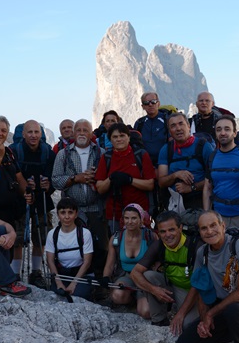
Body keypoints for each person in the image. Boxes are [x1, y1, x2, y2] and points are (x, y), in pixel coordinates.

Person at [175, 211, 239, 343]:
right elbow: (201, 286)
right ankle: (234, 331)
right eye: (204, 228)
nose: (209, 231)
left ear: (223, 226)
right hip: (218, 305)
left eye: (213, 225)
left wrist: (211, 314)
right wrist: (204, 319)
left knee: (234, 310)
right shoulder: (202, 253)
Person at [51, 119, 109, 276]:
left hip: (97, 208)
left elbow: (108, 179)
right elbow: (55, 180)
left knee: (101, 247)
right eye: (79, 130)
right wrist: (76, 178)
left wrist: (95, 179)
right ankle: (78, 280)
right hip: (73, 210)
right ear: (73, 133)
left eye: (85, 130)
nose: (82, 133)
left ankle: (99, 283)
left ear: (91, 134)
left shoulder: (102, 153)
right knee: (76, 246)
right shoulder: (63, 154)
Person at [130, 211, 199, 332]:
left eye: (171, 230)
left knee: (187, 326)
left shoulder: (194, 246)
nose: (167, 235)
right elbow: (135, 273)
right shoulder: (159, 245)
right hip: (172, 286)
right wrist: (154, 290)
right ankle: (159, 320)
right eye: (163, 231)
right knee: (148, 276)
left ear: (180, 228)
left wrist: (180, 314)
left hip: (193, 291)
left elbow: (199, 284)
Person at [11, 120, 56, 287]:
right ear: (23, 134)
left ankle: (35, 273)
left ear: (41, 134)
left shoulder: (48, 153)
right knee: (18, 237)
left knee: (41, 238)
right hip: (19, 200)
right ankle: (15, 274)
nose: (33, 135)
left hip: (42, 199)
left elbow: (52, 178)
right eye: (30, 132)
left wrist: (48, 185)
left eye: (36, 132)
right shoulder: (15, 151)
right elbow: (10, 177)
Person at [95, 123, 155, 233]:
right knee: (117, 245)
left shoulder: (140, 155)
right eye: (115, 137)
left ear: (128, 137)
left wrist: (130, 180)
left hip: (140, 212)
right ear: (110, 140)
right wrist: (111, 179)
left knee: (142, 244)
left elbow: (150, 184)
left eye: (122, 136)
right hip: (115, 214)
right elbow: (100, 188)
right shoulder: (106, 158)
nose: (119, 139)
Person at [102, 204, 157, 318]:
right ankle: (132, 298)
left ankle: (141, 297)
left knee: (146, 312)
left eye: (133, 218)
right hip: (126, 275)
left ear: (141, 219)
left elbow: (157, 262)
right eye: (126, 218)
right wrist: (105, 277)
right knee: (117, 295)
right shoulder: (117, 238)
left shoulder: (150, 237)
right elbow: (110, 263)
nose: (129, 222)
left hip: (145, 278)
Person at [203, 115, 239, 228]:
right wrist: (207, 214)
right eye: (218, 129)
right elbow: (208, 187)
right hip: (218, 218)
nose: (222, 133)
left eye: (227, 129)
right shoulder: (212, 157)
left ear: (235, 133)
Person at [158, 113, 213, 212]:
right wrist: (176, 175)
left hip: (200, 201)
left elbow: (214, 178)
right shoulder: (166, 150)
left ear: (188, 126)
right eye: (173, 126)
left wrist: (191, 187)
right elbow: (161, 182)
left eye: (181, 124)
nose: (178, 128)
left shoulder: (204, 147)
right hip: (175, 203)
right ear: (170, 131)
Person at [45, 197, 94, 300]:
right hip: (61, 275)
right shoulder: (52, 234)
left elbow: (87, 262)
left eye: (70, 212)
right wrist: (58, 282)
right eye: (63, 213)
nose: (66, 217)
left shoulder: (85, 233)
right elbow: (50, 260)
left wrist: (74, 284)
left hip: (82, 275)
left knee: (77, 296)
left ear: (76, 214)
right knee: (59, 295)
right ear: (58, 215)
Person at [133, 92, 169, 167]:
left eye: (153, 102)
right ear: (143, 106)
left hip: (165, 163)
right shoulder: (139, 123)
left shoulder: (167, 120)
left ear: (158, 104)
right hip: (145, 164)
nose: (150, 105)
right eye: (146, 103)